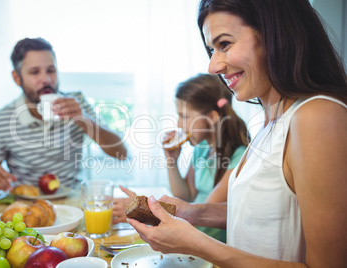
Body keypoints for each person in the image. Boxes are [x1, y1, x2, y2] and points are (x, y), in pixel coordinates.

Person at [127, 0, 347, 267]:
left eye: (224, 44)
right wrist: (194, 213)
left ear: (275, 35)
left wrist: (197, 244)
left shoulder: (317, 117)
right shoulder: (269, 125)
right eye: (211, 49)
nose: (213, 66)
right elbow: (260, 213)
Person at [0, 37, 127, 192]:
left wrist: (84, 119)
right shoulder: (0, 121)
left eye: (51, 71)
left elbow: (121, 153)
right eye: (34, 72)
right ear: (17, 78)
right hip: (28, 206)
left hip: (75, 202)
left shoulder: (77, 103)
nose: (46, 79)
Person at [113, 74, 249, 243]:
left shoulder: (238, 157)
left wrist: (142, 208)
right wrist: (171, 160)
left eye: (184, 116)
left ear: (212, 117)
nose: (178, 125)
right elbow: (186, 196)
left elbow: (200, 214)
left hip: (206, 245)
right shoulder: (201, 149)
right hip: (190, 236)